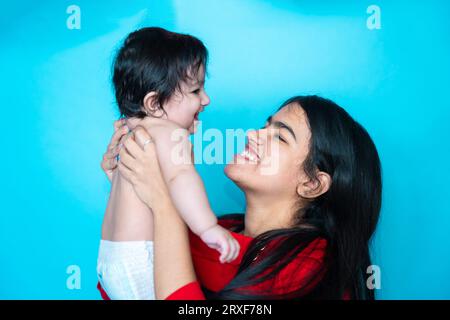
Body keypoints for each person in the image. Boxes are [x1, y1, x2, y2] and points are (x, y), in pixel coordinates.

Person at [99, 95, 382, 299]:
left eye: (280, 138)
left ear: (311, 184)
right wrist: (130, 190)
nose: (253, 135)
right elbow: (129, 285)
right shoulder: (216, 232)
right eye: (265, 126)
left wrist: (163, 203)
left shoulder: (311, 266)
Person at [98, 27, 239, 300]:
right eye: (196, 90)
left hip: (109, 258)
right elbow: (181, 178)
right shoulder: (169, 133)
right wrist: (207, 227)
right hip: (142, 259)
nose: (206, 99)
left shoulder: (130, 130)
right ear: (154, 103)